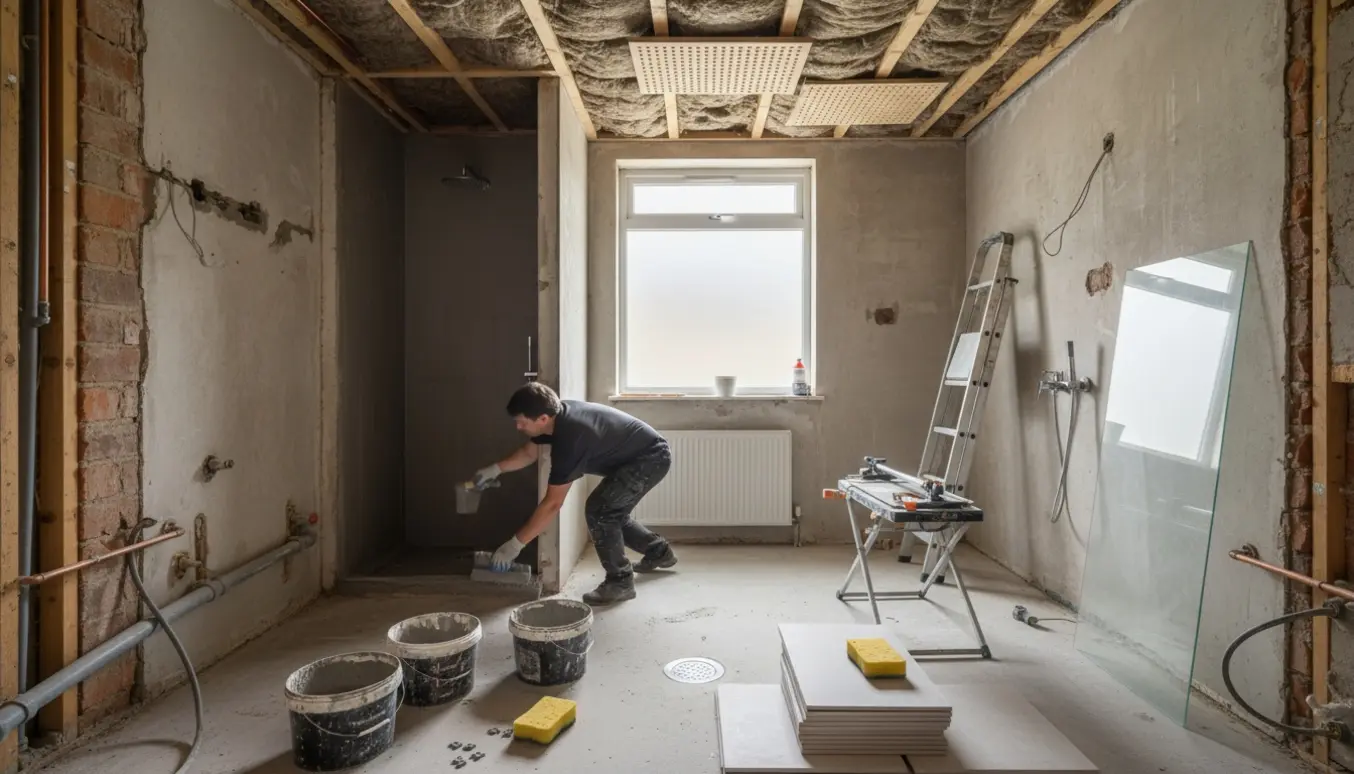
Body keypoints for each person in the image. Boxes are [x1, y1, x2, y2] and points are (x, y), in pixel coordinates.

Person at [473, 382, 677, 604]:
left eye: (522, 422)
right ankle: (658, 552)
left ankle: (620, 581)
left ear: (542, 419)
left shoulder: (570, 440)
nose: (518, 427)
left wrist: (514, 545)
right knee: (611, 512)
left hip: (650, 459)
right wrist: (495, 469)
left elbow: (552, 504)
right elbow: (528, 453)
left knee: (601, 511)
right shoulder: (555, 418)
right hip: (641, 456)